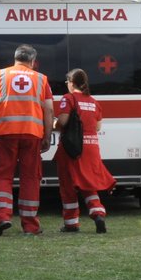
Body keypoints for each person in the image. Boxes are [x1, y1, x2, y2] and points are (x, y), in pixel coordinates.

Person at [0, 43, 54, 236]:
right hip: (32, 134)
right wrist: (47, 135)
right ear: (33, 61)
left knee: (2, 175)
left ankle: (1, 217)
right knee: (30, 178)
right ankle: (31, 226)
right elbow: (48, 109)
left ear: (15, 58)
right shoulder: (41, 79)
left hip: (5, 132)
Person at [51, 68, 116, 234]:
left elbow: (63, 121)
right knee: (87, 183)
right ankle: (98, 212)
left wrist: (53, 124)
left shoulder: (69, 98)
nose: (66, 85)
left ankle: (71, 223)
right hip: (92, 148)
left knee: (68, 185)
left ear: (72, 83)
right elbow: (97, 126)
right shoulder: (94, 102)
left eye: (67, 82)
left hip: (72, 148)